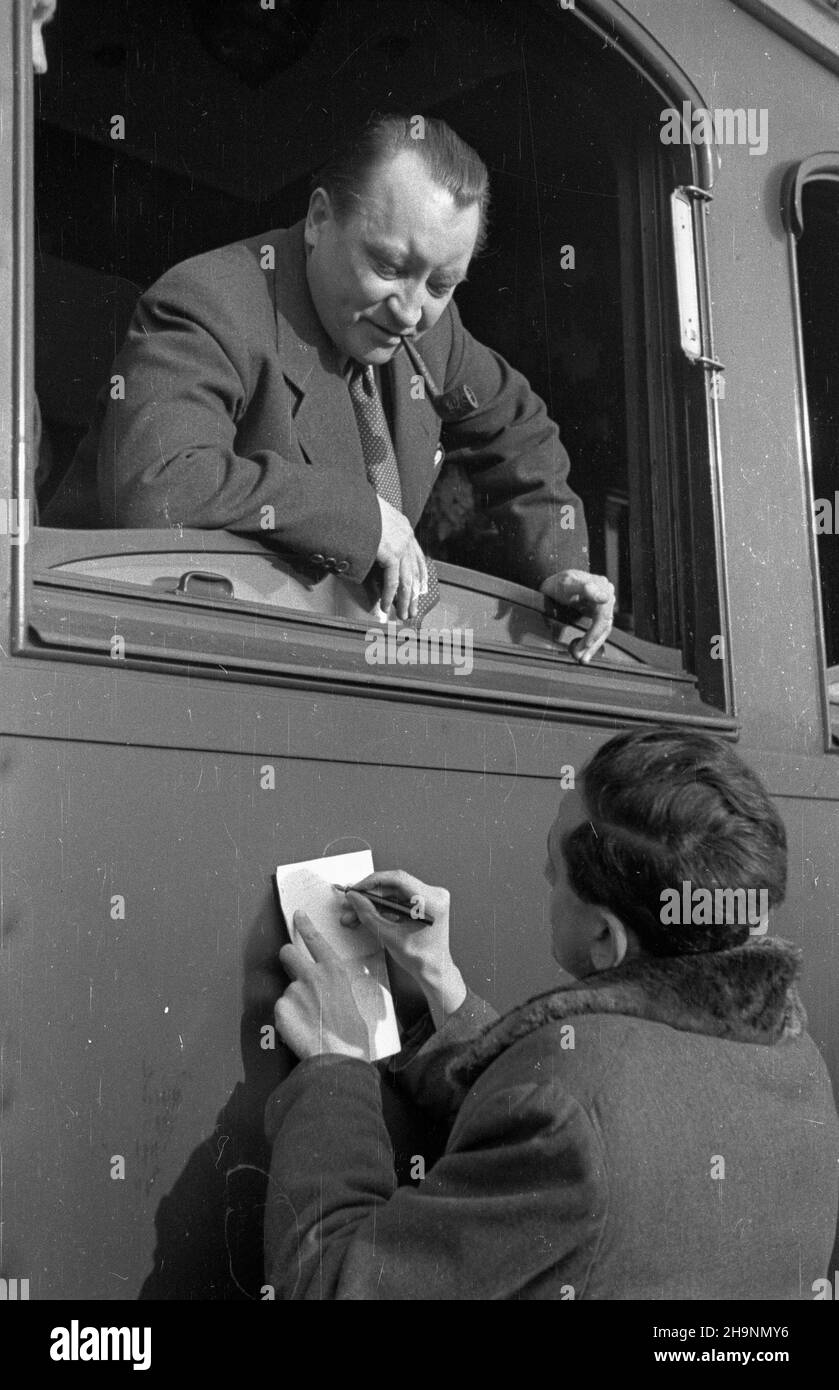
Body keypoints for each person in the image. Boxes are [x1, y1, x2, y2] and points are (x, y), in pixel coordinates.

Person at [263, 728, 839, 1300]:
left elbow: (331, 1285)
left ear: (604, 938)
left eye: (555, 871)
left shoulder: (570, 1117)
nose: (543, 877)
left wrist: (336, 1064)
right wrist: (440, 979)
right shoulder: (797, 1063)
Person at [46, 114, 615, 659]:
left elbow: (520, 427)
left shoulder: (433, 332)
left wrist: (557, 566)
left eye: (442, 283)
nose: (411, 312)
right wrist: (361, 518)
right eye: (389, 267)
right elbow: (157, 484)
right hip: (123, 646)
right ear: (320, 219)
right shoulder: (209, 302)